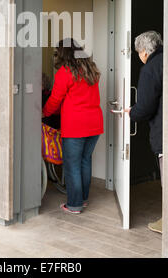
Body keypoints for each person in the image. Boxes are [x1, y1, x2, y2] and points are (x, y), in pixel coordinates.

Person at [42, 39, 104, 214]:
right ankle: (82, 199)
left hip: (76, 126)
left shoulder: (65, 72)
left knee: (72, 165)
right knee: (85, 161)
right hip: (94, 124)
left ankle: (74, 204)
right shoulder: (91, 69)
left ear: (63, 53)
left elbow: (55, 100)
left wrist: (44, 113)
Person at [125, 31, 163, 234]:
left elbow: (146, 106)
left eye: (137, 52)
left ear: (144, 52)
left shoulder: (150, 69)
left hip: (165, 132)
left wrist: (133, 112)